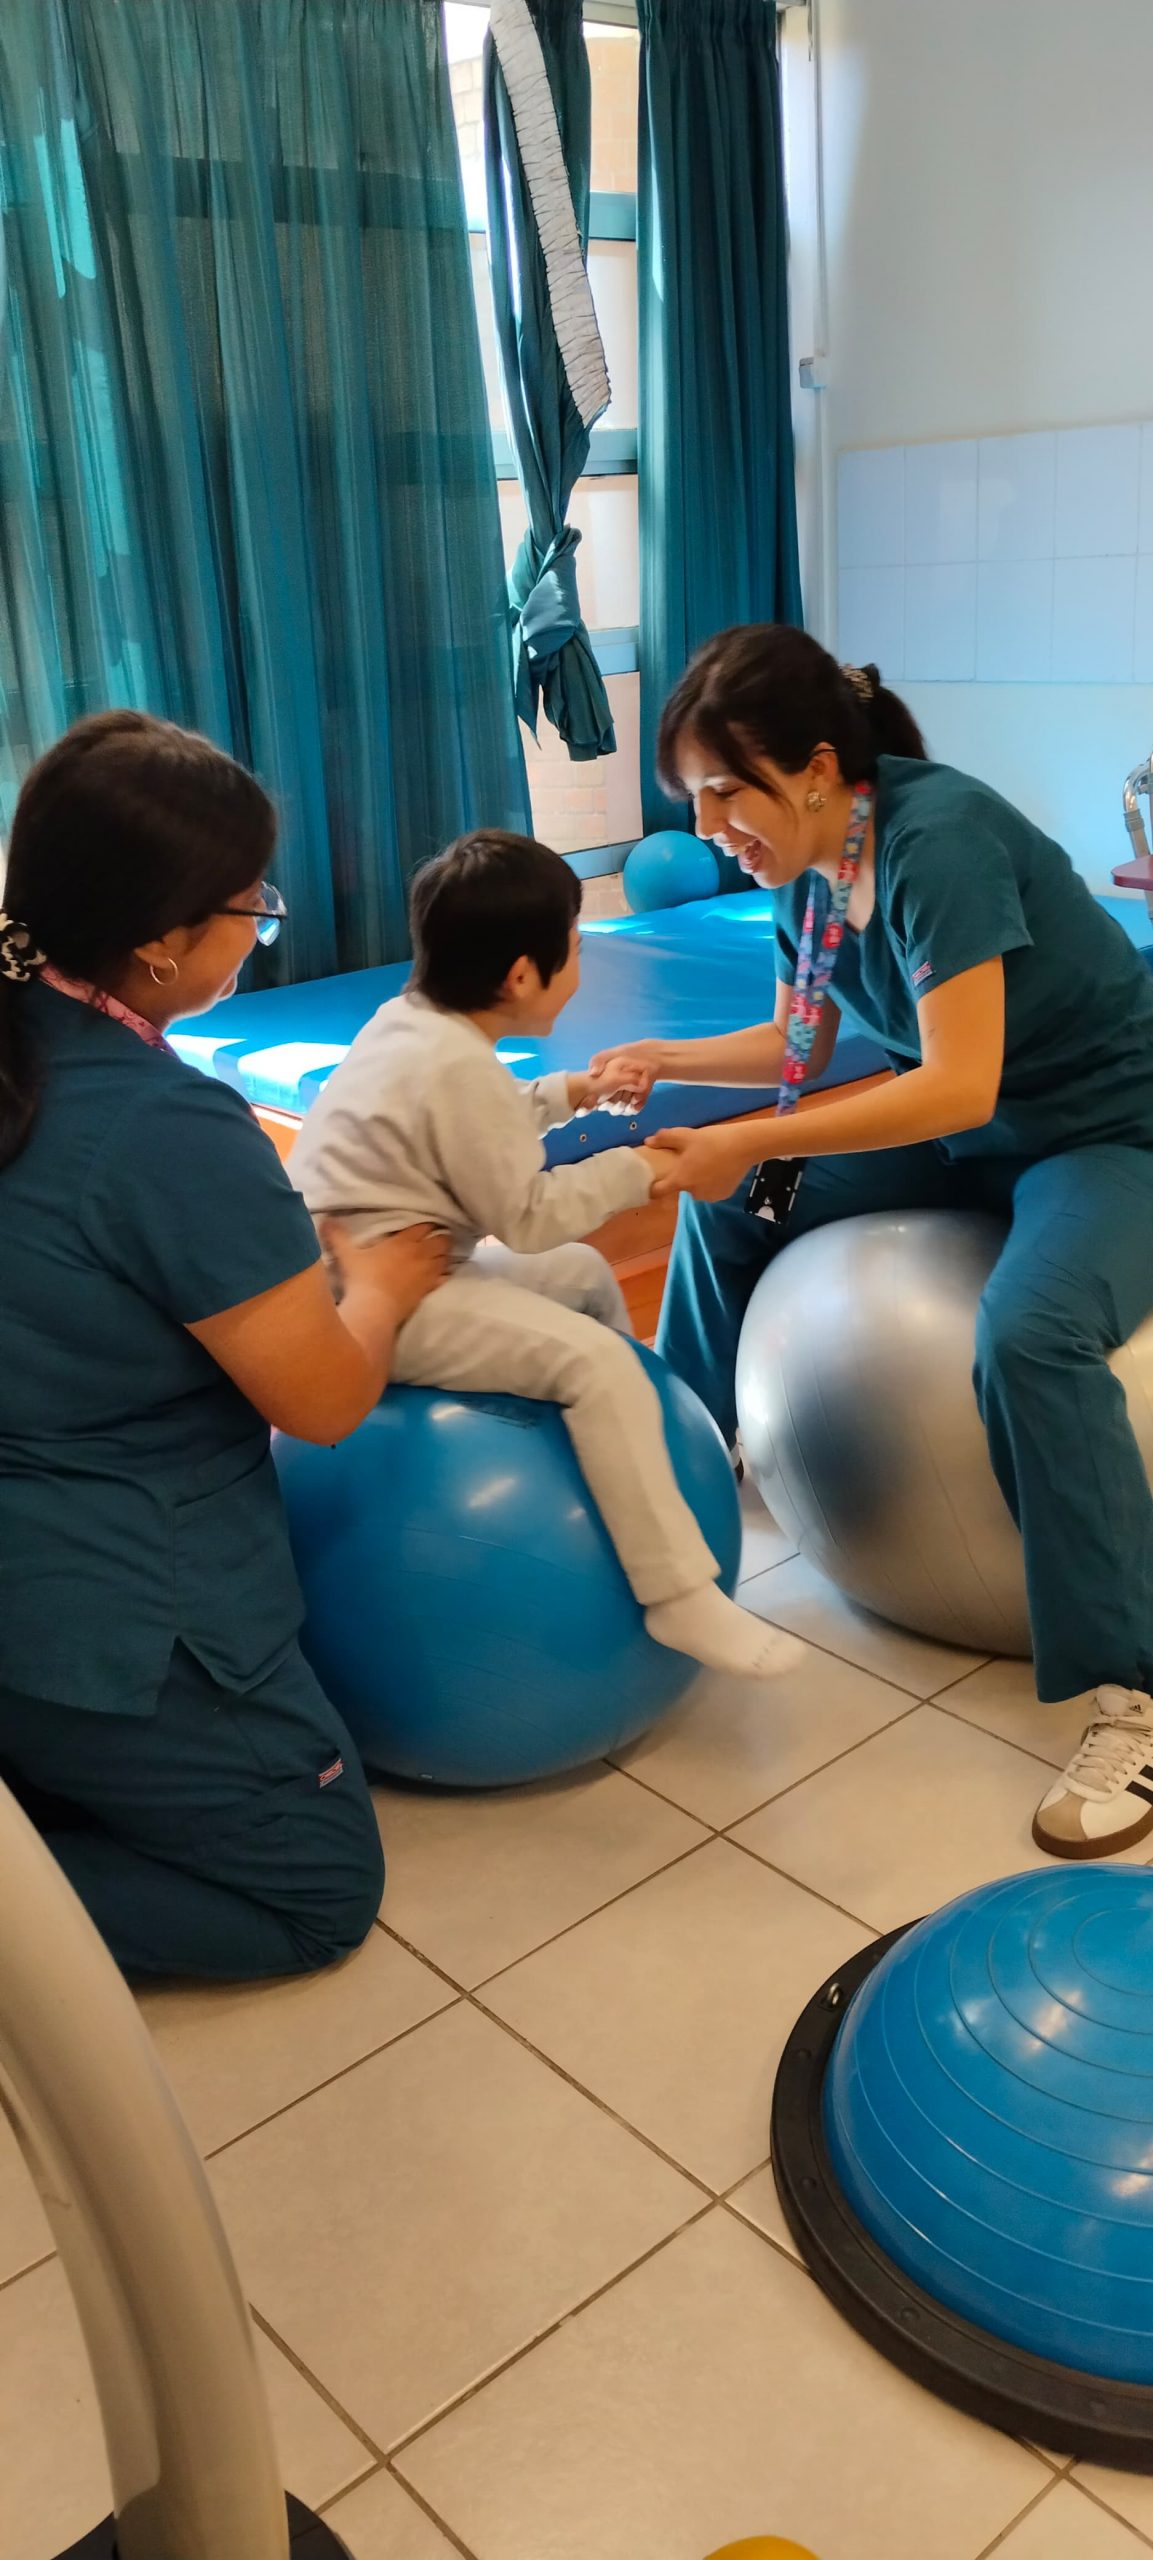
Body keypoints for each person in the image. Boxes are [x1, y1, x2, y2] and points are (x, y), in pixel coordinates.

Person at [588, 623, 1153, 1860]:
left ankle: (1133, 1693)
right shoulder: (806, 864)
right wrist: (665, 1066)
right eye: (696, 798)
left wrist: (750, 1135)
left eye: (724, 789)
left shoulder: (934, 841)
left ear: (813, 766)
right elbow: (801, 1041)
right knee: (740, 1195)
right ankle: (685, 1480)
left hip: (1103, 1131)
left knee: (1032, 1331)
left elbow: (954, 1082)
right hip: (979, 1130)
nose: (710, 822)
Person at [0, 709, 449, 1981]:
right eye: (255, 905)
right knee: (316, 1894)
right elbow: (319, 1398)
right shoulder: (164, 1127)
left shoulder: (47, 1051)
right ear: (156, 941)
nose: (263, 924)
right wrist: (387, 1278)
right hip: (100, 1617)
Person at [289, 830, 802, 1684]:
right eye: (572, 949)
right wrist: (638, 1168)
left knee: (584, 1282)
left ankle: (640, 1449)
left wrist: (571, 1095)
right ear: (522, 975)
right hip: (382, 1297)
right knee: (593, 1361)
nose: (579, 963)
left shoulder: (414, 1025)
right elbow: (526, 1217)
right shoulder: (453, 1066)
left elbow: (475, 1125)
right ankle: (677, 1595)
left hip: (391, 1267)